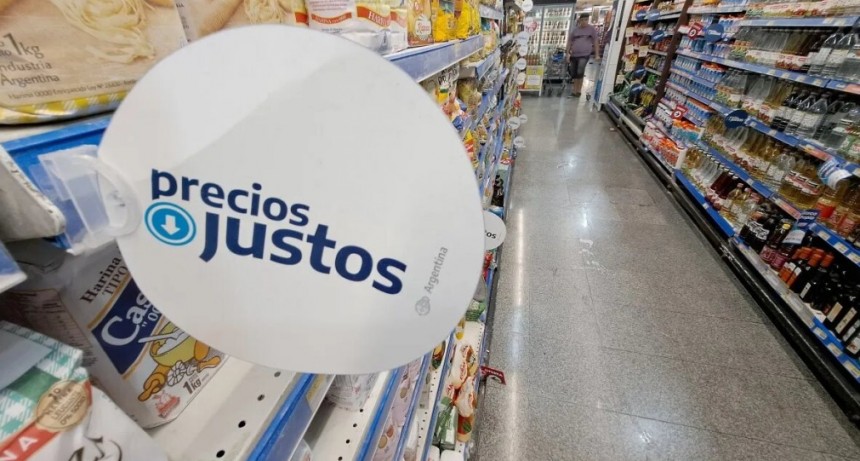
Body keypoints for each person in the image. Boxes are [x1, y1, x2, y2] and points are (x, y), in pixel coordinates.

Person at [566, 16, 600, 98]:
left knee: (580, 72)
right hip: (574, 54)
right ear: (579, 21)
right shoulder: (575, 30)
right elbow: (569, 41)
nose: (584, 21)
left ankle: (578, 91)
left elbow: (595, 41)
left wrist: (597, 54)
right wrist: (567, 53)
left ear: (588, 20)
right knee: (574, 73)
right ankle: (574, 90)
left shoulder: (591, 29)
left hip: (584, 54)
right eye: (582, 20)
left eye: (586, 20)